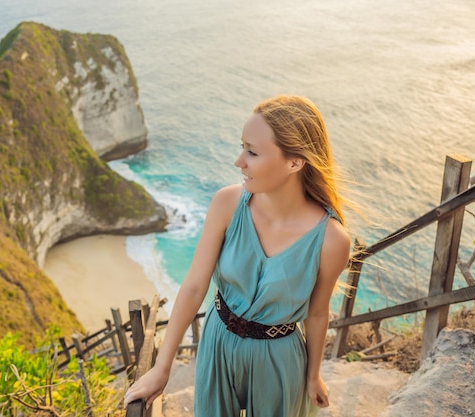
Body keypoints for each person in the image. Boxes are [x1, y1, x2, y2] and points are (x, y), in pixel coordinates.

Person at [124, 95, 352, 416]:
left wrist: (313, 375)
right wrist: (162, 368)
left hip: (279, 358)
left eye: (252, 152)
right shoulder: (227, 204)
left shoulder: (332, 240)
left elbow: (317, 313)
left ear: (294, 162)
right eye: (242, 146)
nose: (238, 161)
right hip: (217, 343)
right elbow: (193, 286)